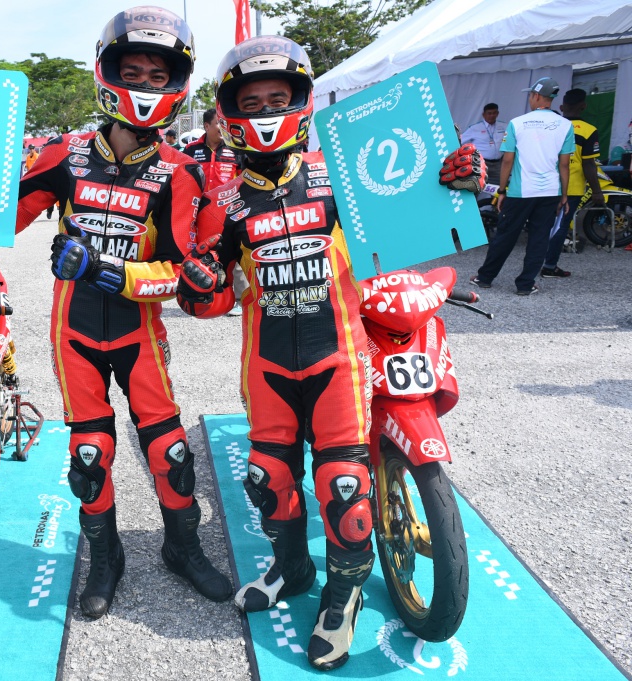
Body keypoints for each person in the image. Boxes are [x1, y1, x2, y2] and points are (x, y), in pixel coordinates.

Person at [0, 7, 233, 619]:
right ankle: (105, 557)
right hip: (72, 331)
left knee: (170, 451)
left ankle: (183, 548)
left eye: (159, 76)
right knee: (88, 454)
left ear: (178, 84)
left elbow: (186, 276)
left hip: (138, 331)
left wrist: (116, 272)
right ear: (106, 73)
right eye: (133, 72)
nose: (144, 86)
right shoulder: (65, 155)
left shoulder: (182, 173)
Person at [175, 36, 483, 671]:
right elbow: (209, 299)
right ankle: (291, 568)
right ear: (229, 112)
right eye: (250, 102)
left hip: (338, 358)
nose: (265, 111)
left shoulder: (338, 172)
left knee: (344, 488)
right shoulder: (224, 201)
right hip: (266, 366)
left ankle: (342, 598)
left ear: (301, 102)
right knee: (269, 481)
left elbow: (411, 202)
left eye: (277, 99)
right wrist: (196, 285)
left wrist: (456, 181)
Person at [472, 77, 574, 295]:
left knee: (506, 235)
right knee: (539, 238)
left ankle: (485, 278)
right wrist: (564, 195)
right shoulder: (566, 125)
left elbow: (507, 160)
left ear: (536, 96)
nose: (529, 98)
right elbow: (564, 164)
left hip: (521, 191)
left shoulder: (517, 123)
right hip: (550, 191)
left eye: (530, 95)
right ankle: (525, 285)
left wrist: (501, 191)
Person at [181, 108, 246, 315]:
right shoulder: (191, 150)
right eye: (218, 122)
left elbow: (244, 178)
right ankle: (201, 296)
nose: (222, 127)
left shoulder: (235, 148)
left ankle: (239, 300)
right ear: (207, 126)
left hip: (229, 211)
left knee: (234, 254)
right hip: (199, 211)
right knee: (202, 253)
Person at [542, 88, 603, 277]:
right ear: (583, 106)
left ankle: (535, 262)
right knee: (560, 226)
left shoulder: (551, 126)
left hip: (546, 183)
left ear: (562, 107)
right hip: (572, 187)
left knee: (543, 224)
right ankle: (549, 266)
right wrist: (597, 191)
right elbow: (589, 164)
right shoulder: (589, 130)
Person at [462, 103, 507, 184]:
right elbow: (460, 141)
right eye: (489, 113)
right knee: (478, 186)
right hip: (481, 164)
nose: (492, 115)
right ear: (484, 114)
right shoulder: (474, 128)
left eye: (494, 113)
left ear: (497, 113)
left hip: (498, 164)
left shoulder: (504, 126)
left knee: (498, 186)